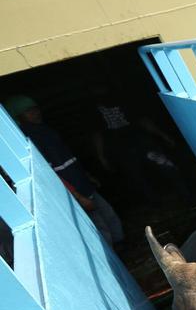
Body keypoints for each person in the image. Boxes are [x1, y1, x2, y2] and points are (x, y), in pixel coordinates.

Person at [4, 95, 124, 247]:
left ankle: (124, 248)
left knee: (109, 216)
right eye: (28, 111)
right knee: (100, 227)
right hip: (73, 192)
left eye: (35, 109)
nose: (35, 113)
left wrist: (86, 176)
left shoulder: (44, 129)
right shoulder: (29, 139)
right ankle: (115, 257)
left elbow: (67, 159)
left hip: (82, 184)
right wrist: (78, 197)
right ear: (18, 116)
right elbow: (49, 173)